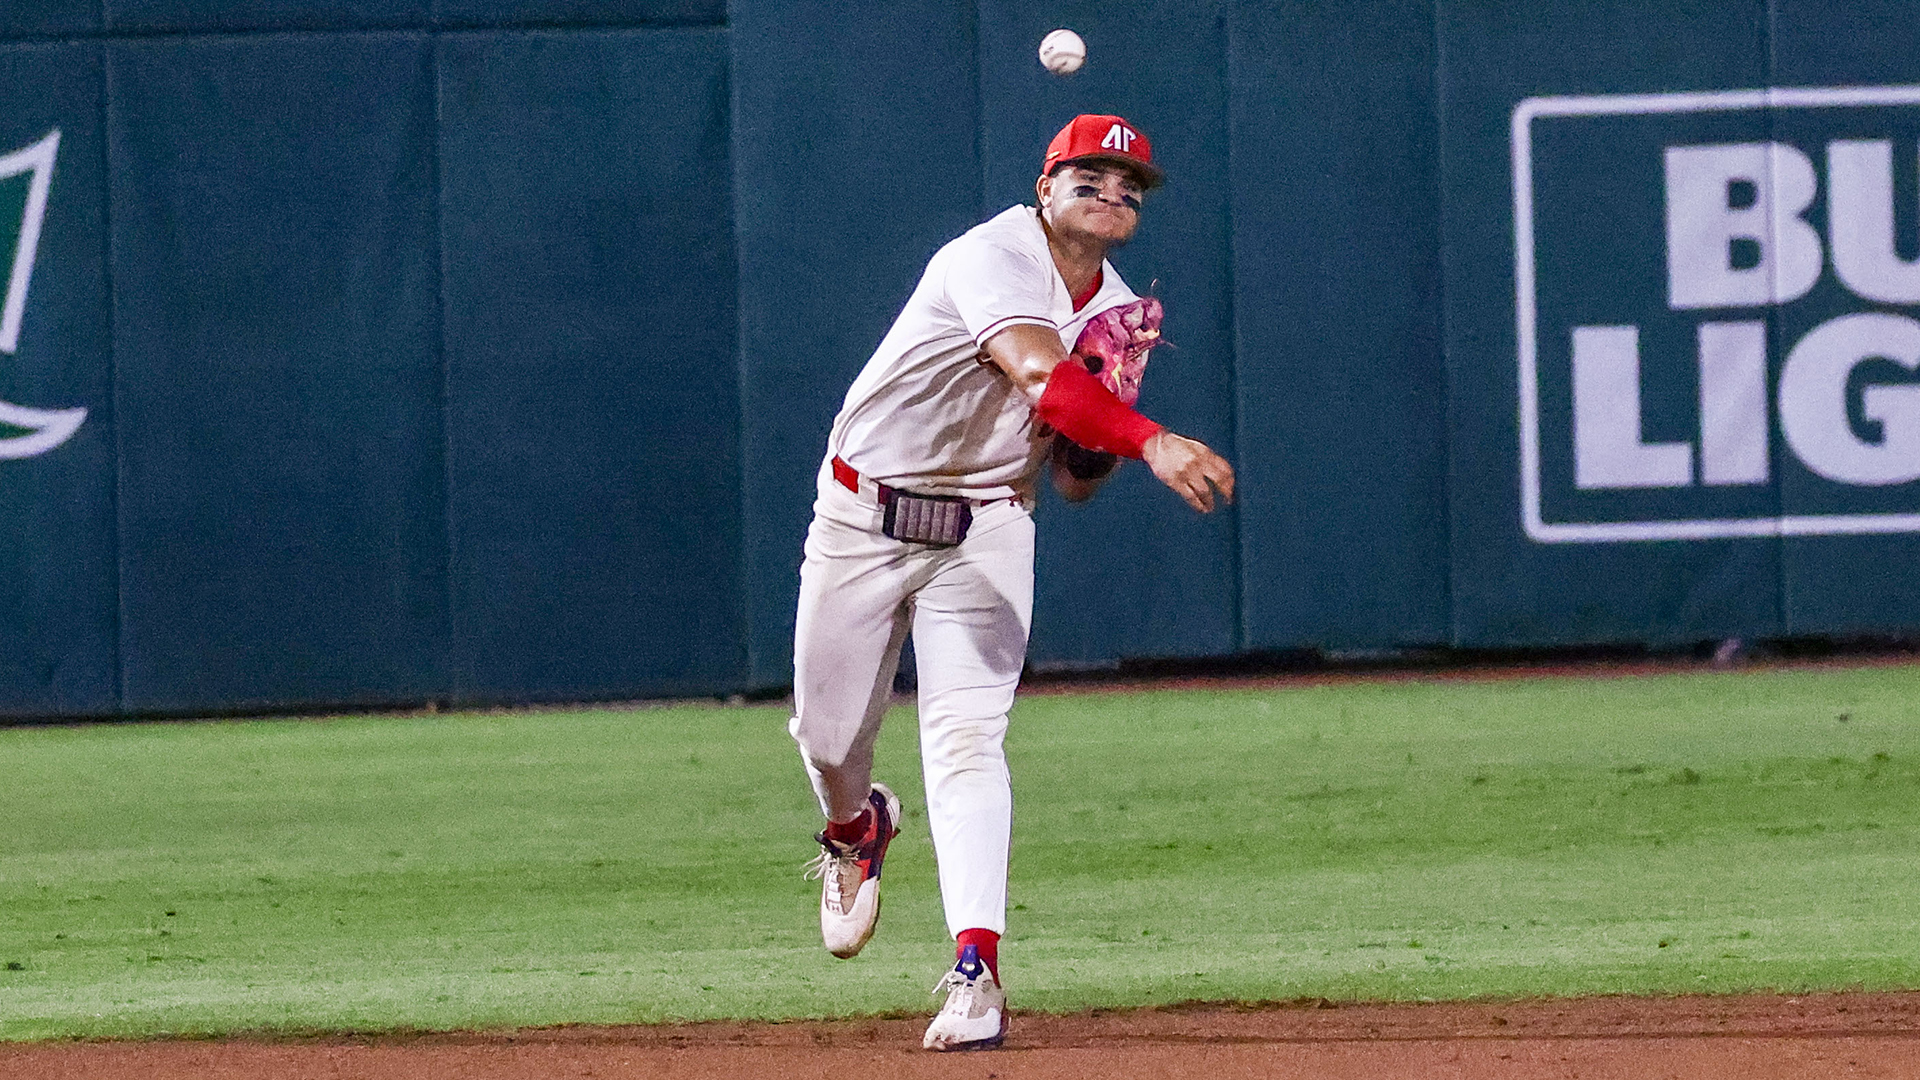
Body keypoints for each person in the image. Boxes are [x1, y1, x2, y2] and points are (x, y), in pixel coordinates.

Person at [789, 113, 1235, 1051]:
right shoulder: (988, 256)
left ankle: (976, 974)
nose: (1111, 192)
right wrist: (1147, 435)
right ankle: (856, 831)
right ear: (1045, 188)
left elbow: (1073, 483)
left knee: (967, 743)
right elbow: (1038, 371)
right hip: (864, 513)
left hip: (987, 524)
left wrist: (1102, 432)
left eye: (1129, 186)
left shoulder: (1114, 311)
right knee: (828, 744)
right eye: (1089, 175)